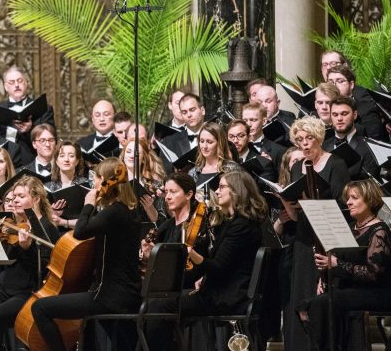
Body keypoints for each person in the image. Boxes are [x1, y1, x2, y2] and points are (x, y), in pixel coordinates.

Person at [148, 170, 267, 350]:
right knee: (159, 304)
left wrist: (190, 252)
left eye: (222, 187)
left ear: (237, 190)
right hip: (223, 292)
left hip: (228, 297)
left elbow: (217, 267)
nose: (217, 192)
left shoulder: (242, 227)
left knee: (158, 307)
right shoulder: (234, 223)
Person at [31, 158, 142, 351]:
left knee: (40, 308)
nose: (94, 184)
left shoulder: (113, 213)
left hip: (109, 297)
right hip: (128, 294)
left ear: (106, 181)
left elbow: (80, 232)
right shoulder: (129, 212)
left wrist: (88, 204)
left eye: (97, 178)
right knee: (124, 341)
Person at [0, 175, 60, 351]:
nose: (15, 201)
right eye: (14, 198)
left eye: (21, 196)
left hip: (29, 293)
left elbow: (44, 270)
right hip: (5, 290)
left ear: (36, 198)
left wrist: (27, 248)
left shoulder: (46, 227)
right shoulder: (13, 226)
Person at [297, 180, 391, 350]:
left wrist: (335, 264)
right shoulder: (348, 228)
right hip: (349, 289)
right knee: (305, 306)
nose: (348, 202)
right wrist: (323, 277)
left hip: (375, 292)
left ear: (370, 200)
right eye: (348, 198)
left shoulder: (379, 230)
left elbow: (373, 273)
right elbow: (334, 260)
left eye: (354, 198)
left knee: (318, 305)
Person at [281, 116, 350, 350]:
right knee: (301, 295)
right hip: (304, 238)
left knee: (320, 296)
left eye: (309, 138)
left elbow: (344, 207)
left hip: (329, 236)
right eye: (299, 140)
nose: (305, 144)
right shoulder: (297, 167)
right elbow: (296, 215)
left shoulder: (336, 164)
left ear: (319, 137)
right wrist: (288, 204)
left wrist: (315, 203)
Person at [0, 66, 56, 156]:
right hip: (5, 160)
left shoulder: (43, 108)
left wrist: (31, 129)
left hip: (31, 159)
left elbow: (52, 138)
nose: (16, 85)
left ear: (26, 83)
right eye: (12, 82)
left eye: (20, 81)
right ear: (5, 87)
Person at [323, 96, 380, 180]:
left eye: (344, 114)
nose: (339, 118)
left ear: (355, 115)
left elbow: (369, 186)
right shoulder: (324, 146)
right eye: (335, 114)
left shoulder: (370, 148)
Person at [326, 64, 388, 141]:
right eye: (330, 82)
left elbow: (375, 141)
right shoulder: (323, 107)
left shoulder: (366, 109)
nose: (334, 86)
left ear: (351, 84)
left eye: (340, 81)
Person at [46, 140, 91, 229]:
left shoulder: (88, 185)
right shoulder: (47, 188)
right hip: (58, 237)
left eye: (71, 156)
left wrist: (64, 222)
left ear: (77, 161)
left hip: (83, 234)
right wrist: (52, 215)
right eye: (62, 156)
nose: (66, 159)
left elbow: (93, 219)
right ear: (56, 161)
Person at [121, 137, 167, 224]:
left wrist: (149, 207)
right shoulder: (114, 181)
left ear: (143, 159)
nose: (131, 156)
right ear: (123, 155)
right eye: (128, 151)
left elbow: (161, 220)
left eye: (136, 153)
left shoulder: (153, 185)